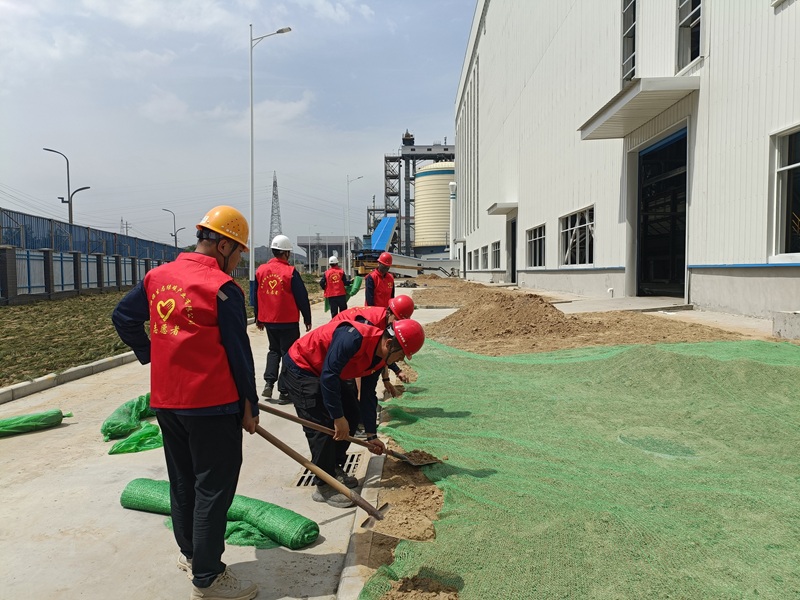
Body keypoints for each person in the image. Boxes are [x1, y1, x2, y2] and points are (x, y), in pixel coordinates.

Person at [112, 205, 259, 600]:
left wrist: (152, 354)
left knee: (182, 481)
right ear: (224, 245)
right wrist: (251, 405)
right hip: (212, 404)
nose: (239, 261)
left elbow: (123, 317)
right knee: (213, 487)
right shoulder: (222, 288)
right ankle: (207, 578)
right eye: (239, 252)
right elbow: (239, 353)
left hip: (166, 401)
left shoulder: (157, 277)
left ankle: (192, 555)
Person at [281, 318, 425, 508]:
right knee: (322, 427)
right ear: (389, 343)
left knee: (352, 413)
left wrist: (371, 435)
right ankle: (324, 485)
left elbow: (367, 394)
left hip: (327, 371)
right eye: (401, 355)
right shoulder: (353, 339)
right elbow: (328, 376)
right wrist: (337, 417)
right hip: (302, 367)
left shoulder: (378, 357)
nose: (400, 360)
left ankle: (334, 467)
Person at [254, 234, 312, 405]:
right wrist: (307, 317)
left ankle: (269, 382)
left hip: (269, 320)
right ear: (286, 253)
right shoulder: (290, 272)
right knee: (288, 354)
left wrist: (258, 317)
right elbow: (302, 297)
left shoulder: (261, 270)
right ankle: (284, 391)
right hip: (288, 321)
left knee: (273, 350)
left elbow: (255, 296)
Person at [332, 295, 415, 398]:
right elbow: (358, 361)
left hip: (352, 344)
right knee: (350, 390)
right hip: (339, 342)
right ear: (389, 313)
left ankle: (366, 403)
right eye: (396, 319)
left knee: (369, 385)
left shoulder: (388, 324)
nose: (396, 324)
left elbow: (385, 354)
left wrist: (388, 377)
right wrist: (359, 393)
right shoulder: (369, 324)